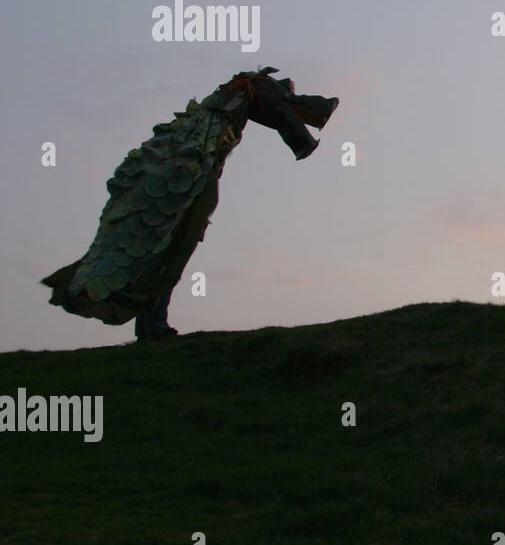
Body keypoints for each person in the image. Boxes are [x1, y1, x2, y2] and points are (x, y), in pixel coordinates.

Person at [42, 68, 340, 341]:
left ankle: (150, 328)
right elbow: (276, 108)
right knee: (168, 250)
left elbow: (277, 109)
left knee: (164, 251)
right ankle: (153, 327)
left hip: (181, 177)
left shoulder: (210, 125)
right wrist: (302, 137)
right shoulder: (213, 125)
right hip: (181, 181)